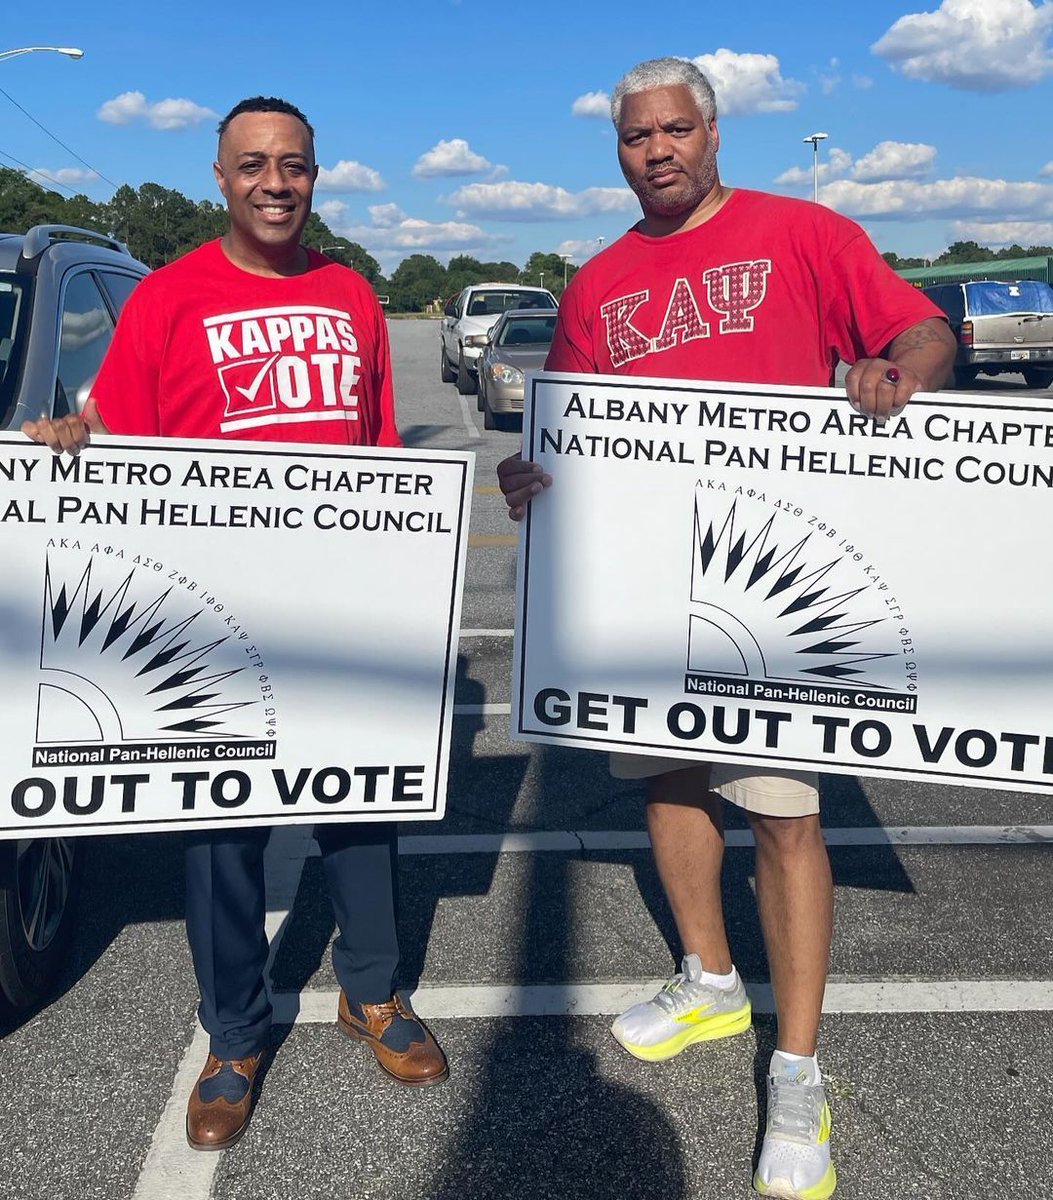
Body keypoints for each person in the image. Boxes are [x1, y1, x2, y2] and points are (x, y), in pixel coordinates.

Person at [498, 58, 955, 1200]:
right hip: (652, 590)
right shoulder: (598, 281)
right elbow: (573, 426)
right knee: (668, 785)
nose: (655, 151)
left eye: (675, 130)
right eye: (634, 136)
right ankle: (706, 976)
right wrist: (530, 474)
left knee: (786, 822)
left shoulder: (803, 233)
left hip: (777, 593)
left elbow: (920, 329)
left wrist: (897, 371)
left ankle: (796, 1068)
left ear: (712, 132)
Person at [24, 96, 448, 1152]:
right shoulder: (167, 297)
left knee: (360, 805)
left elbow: (382, 449)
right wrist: (70, 438)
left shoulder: (350, 291)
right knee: (221, 822)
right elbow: (117, 436)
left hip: (337, 605)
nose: (274, 182)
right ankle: (233, 1034)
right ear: (219, 174)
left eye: (293, 165)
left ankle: (374, 994)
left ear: (316, 174)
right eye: (253, 163)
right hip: (210, 620)